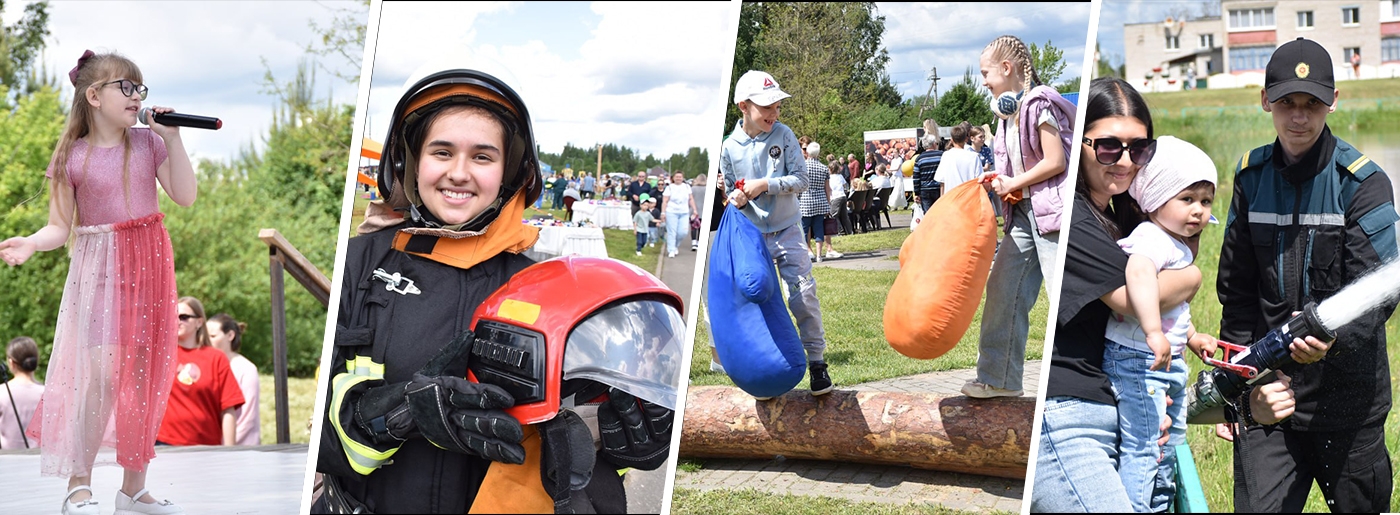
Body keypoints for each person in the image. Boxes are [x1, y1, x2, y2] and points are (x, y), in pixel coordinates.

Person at [314, 65, 675, 513]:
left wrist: (620, 445)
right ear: (411, 160)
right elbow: (313, 438)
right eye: (441, 152)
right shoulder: (360, 262)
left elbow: (575, 443)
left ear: (510, 172)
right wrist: (394, 414)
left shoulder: (548, 287)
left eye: (483, 157)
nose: (459, 173)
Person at [1031, 76, 1322, 512]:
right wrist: (1192, 278)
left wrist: (1234, 401)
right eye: (1109, 147)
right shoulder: (1073, 218)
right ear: (1080, 145)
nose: (1125, 161)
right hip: (1068, 413)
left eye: (1140, 149)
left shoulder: (1122, 217)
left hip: (1116, 402)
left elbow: (1159, 330)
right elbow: (1133, 300)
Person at [0, 50, 195, 515]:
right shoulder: (72, 155)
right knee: (102, 377)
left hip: (148, 265)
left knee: (143, 380)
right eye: (125, 87)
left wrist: (174, 137)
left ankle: (133, 489)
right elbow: (57, 227)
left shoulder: (150, 144)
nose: (136, 96)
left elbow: (185, 196)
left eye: (139, 88)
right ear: (94, 96)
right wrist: (30, 242)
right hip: (101, 270)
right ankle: (78, 484)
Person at [1216, 37, 1397, 512]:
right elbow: (1236, 293)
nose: (1299, 117)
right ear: (1265, 102)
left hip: (1350, 407)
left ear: (1333, 102)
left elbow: (1379, 293)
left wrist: (1332, 339)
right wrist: (1234, 393)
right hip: (1268, 402)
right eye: (1286, 103)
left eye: (1312, 103)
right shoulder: (1250, 178)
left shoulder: (1363, 182)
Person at [1102, 136, 1219, 512]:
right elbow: (1138, 274)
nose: (1198, 211)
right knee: (1145, 444)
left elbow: (1175, 310)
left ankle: (1159, 503)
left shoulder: (1174, 241)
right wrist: (1153, 331)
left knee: (1169, 440)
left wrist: (1192, 335)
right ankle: (1138, 506)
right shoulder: (1151, 238)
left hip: (1164, 360)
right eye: (1187, 199)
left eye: (1205, 200)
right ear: (1155, 199)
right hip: (1138, 357)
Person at [962, 35, 1074, 399]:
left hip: (1052, 215)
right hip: (1023, 215)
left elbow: (1055, 160)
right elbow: (1020, 165)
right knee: (1003, 289)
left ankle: (1075, 378)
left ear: (1007, 69)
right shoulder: (1006, 114)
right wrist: (998, 178)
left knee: (1066, 296)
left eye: (985, 73)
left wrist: (1015, 181)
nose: (983, 81)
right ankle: (1000, 380)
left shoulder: (1039, 104)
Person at [721, 70, 832, 396]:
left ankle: (817, 362)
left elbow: (801, 180)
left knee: (802, 295)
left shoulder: (783, 135)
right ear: (744, 106)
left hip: (787, 231)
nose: (774, 113)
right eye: (766, 106)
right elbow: (732, 192)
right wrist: (738, 197)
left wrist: (766, 185)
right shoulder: (729, 147)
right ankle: (768, 367)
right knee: (755, 298)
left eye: (777, 106)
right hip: (753, 238)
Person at [157, 297, 243, 448]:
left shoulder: (216, 358)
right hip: (164, 444)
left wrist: (230, 451)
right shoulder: (161, 355)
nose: (178, 321)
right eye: (173, 315)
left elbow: (228, 409)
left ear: (199, 322)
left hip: (206, 447)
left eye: (184, 317)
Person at [207, 313, 259, 446]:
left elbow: (247, 418)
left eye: (212, 336)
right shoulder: (205, 366)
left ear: (230, 335)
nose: (207, 340)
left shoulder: (246, 369)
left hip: (240, 449)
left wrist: (226, 446)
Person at [1, 336, 44, 450]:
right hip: (39, 462)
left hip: (8, 462)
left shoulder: (2, 392)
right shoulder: (48, 394)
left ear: (11, 362)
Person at [799, 140, 839, 261]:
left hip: (805, 201)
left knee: (805, 228)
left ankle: (808, 252)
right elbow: (827, 189)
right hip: (820, 201)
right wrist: (828, 203)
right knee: (819, 228)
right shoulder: (824, 168)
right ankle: (818, 255)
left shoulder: (803, 167)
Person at [933, 122, 984, 199]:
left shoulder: (946, 155)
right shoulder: (974, 157)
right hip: (968, 198)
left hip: (950, 198)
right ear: (966, 139)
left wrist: (941, 199)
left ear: (952, 140)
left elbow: (942, 181)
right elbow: (979, 181)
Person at [661, 171, 697, 258]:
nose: (678, 178)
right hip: (671, 212)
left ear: (682, 178)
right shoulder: (669, 187)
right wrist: (663, 212)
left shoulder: (687, 186)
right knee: (672, 232)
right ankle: (671, 250)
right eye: (676, 177)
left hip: (684, 212)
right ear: (673, 178)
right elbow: (665, 201)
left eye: (680, 177)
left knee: (683, 232)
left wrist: (695, 210)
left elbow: (691, 199)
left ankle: (675, 245)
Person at [913, 131, 943, 213]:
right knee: (941, 213)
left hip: (925, 190)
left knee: (928, 215)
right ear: (933, 144)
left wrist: (916, 193)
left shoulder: (919, 159)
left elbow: (916, 178)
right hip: (940, 188)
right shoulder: (942, 155)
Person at [828, 161, 852, 236]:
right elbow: (845, 185)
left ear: (831, 169)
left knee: (833, 215)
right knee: (844, 216)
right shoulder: (840, 176)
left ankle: (838, 231)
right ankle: (849, 231)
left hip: (835, 197)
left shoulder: (829, 178)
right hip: (842, 196)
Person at [690, 173, 708, 251]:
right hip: (704, 210)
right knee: (701, 228)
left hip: (694, 210)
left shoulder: (693, 188)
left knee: (694, 227)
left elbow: (690, 199)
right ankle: (699, 242)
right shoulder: (707, 188)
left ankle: (694, 243)